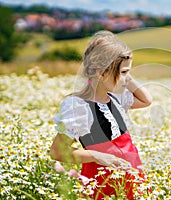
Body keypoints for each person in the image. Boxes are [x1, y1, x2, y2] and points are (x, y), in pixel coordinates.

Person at [50, 30, 152, 199]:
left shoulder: (116, 97)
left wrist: (125, 72)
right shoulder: (79, 106)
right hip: (101, 180)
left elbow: (146, 100)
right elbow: (57, 151)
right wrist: (96, 156)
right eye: (124, 72)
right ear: (101, 73)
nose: (127, 79)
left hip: (131, 175)